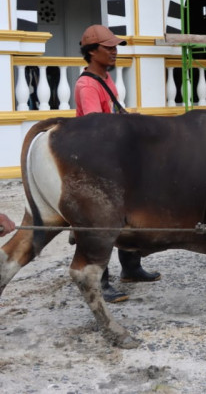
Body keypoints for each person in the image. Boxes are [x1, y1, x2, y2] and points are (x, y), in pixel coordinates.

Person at [76, 24, 161, 304]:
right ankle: (100, 281)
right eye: (108, 47)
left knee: (130, 213)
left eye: (115, 47)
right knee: (101, 221)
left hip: (114, 156)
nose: (114, 52)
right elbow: (96, 127)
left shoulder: (106, 78)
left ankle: (131, 268)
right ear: (91, 51)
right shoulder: (87, 84)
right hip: (98, 160)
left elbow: (110, 115)